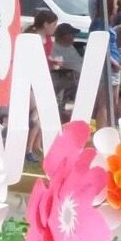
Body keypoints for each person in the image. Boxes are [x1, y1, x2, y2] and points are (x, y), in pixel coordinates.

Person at [24, 11, 60, 159]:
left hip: (42, 78)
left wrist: (52, 61)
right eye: (54, 24)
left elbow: (45, 57)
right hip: (32, 81)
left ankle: (36, 145)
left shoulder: (47, 39)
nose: (55, 28)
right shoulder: (33, 39)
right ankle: (29, 150)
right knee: (37, 116)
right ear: (46, 24)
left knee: (41, 113)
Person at [89, 0, 121, 127]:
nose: (117, 7)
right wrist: (113, 61)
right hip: (107, 68)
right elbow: (99, 46)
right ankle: (102, 130)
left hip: (113, 67)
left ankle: (109, 128)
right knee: (104, 103)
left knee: (113, 102)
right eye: (115, 4)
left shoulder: (105, 23)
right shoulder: (100, 23)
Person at [50, 22, 81, 110]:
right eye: (71, 34)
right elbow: (58, 65)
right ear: (64, 36)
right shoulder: (54, 48)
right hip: (67, 78)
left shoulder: (70, 47)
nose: (74, 36)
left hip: (79, 77)